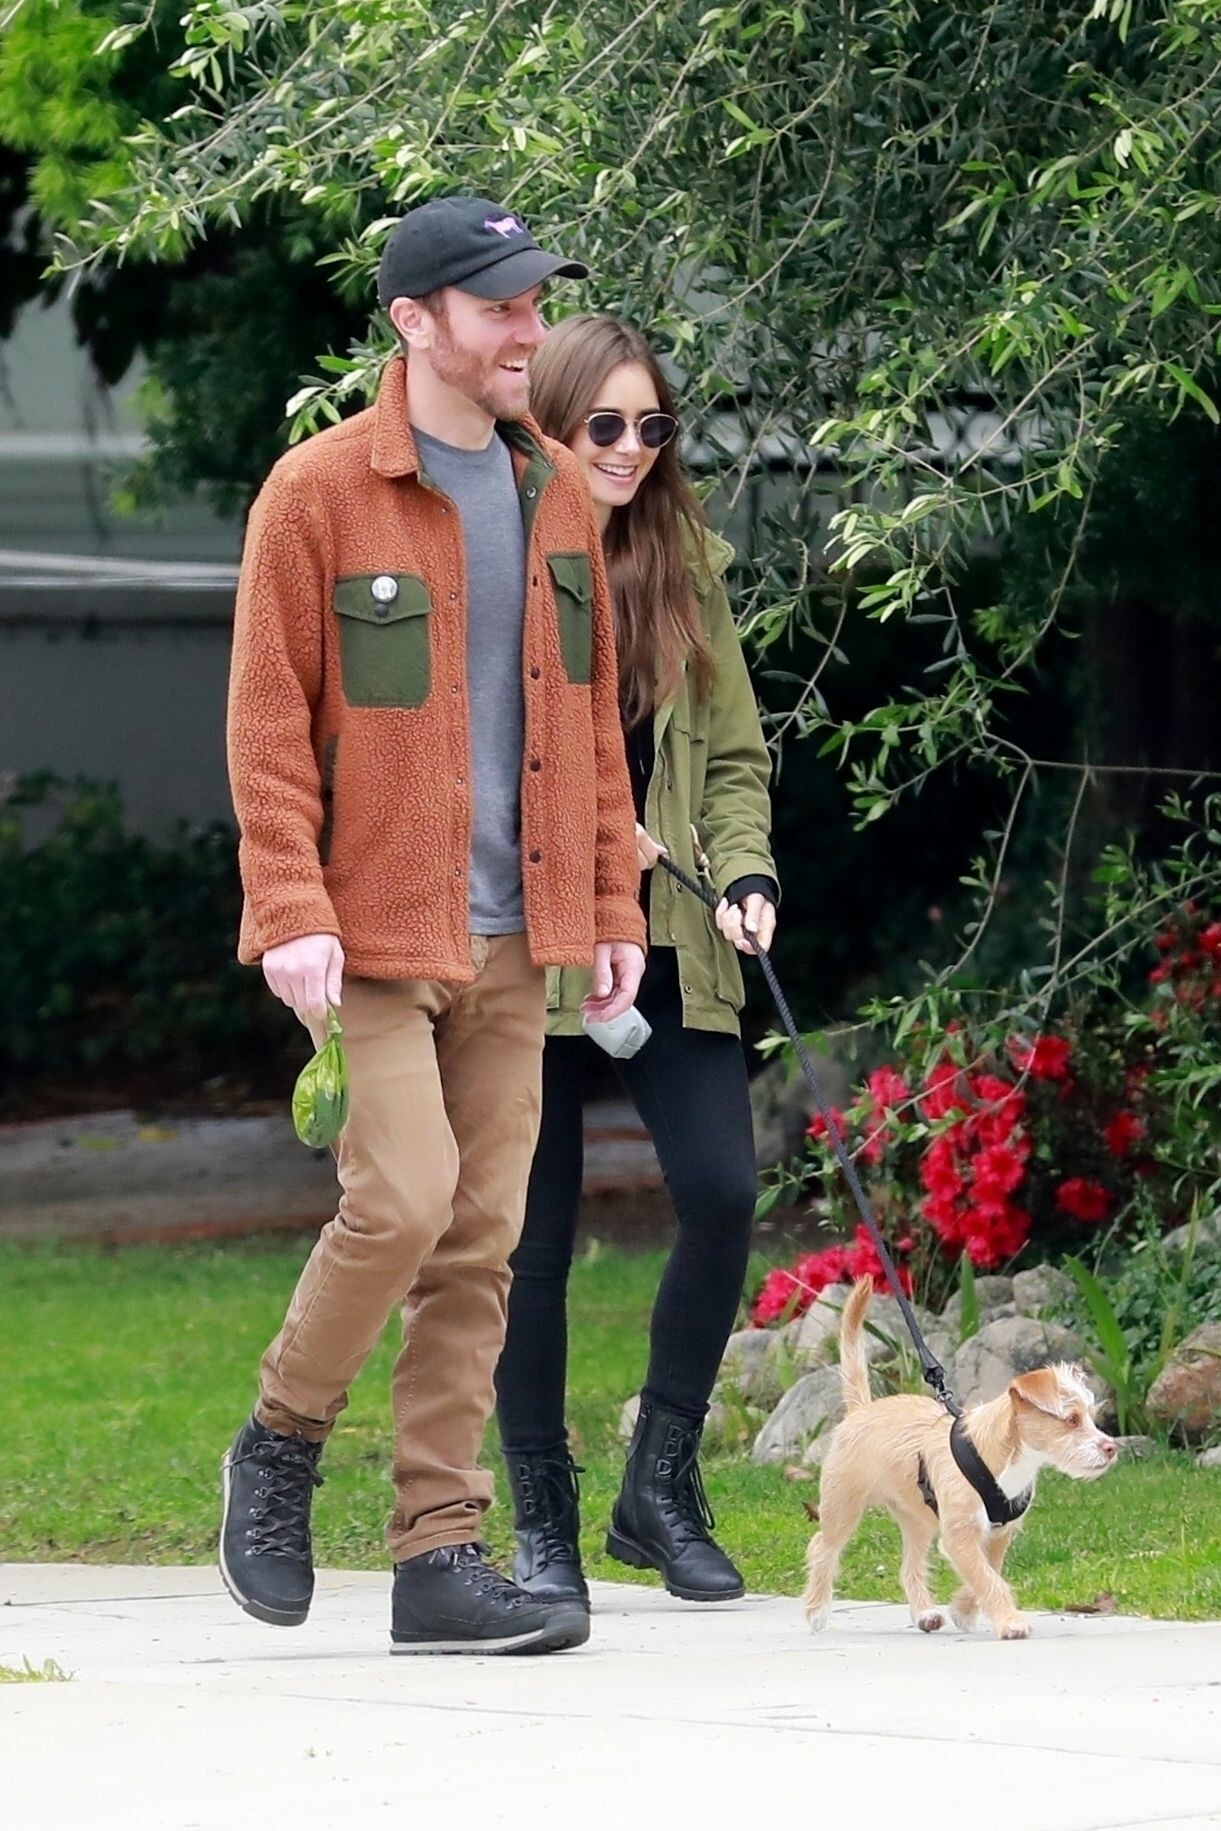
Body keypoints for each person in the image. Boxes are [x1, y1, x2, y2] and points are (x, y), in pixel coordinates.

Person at [220, 200, 646, 1657]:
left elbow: (588, 721)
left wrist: (609, 901)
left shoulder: (558, 493)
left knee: (481, 1241)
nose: (530, 330)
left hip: (520, 936)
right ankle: (280, 1442)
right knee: (401, 1202)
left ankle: (439, 1558)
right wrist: (289, 906)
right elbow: (267, 725)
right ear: (414, 321)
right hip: (373, 935)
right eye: (499, 306)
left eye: (536, 303)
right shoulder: (319, 492)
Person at [494, 315, 778, 1608]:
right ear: (549, 422)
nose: (627, 449)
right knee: (532, 1241)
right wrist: (597, 827)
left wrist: (747, 875)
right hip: (539, 938)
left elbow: (734, 757)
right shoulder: (497, 554)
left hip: (670, 933)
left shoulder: (684, 564)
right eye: (602, 425)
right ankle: (541, 1518)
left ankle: (657, 1486)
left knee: (721, 1191)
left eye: (650, 427)